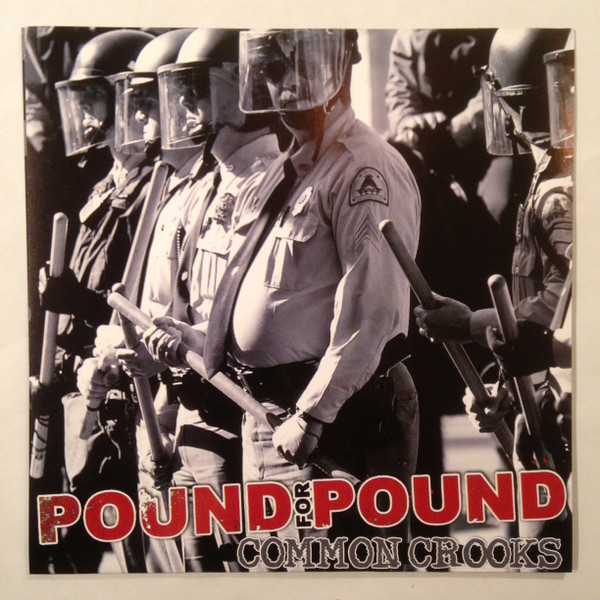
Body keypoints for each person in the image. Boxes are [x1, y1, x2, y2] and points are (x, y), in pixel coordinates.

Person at [146, 30, 421, 563]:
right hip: (269, 411)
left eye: (305, 62)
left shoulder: (363, 167)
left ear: (342, 63)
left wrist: (314, 415)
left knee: (334, 573)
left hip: (333, 415)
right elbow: (276, 297)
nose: (288, 82)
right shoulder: (287, 170)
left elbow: (374, 313)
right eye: (272, 68)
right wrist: (201, 339)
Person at [116, 28, 282, 572]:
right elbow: (177, 301)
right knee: (189, 567)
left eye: (197, 89)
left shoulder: (272, 179)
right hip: (188, 404)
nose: (182, 106)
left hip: (237, 410)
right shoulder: (204, 188)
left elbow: (260, 311)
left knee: (229, 568)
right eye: (179, 91)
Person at [33, 28, 155, 573]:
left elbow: (141, 303)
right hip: (76, 387)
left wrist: (77, 301)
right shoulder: (106, 184)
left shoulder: (154, 189)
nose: (84, 117)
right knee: (69, 548)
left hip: (118, 396)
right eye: (78, 102)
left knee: (130, 549)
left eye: (94, 101)